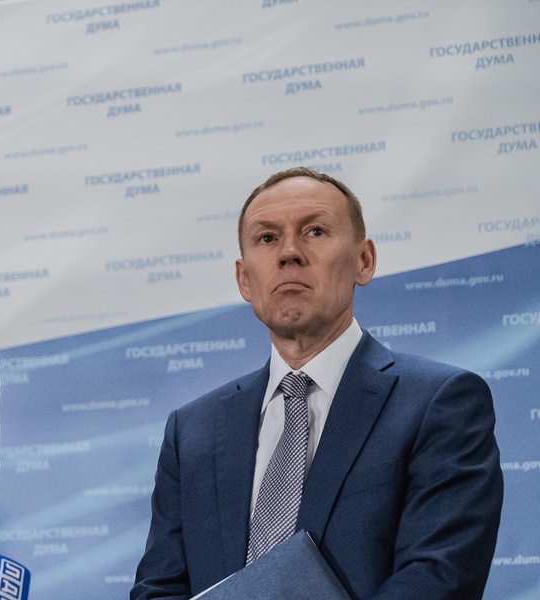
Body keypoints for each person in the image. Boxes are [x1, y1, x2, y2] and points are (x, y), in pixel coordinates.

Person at [131, 168, 504, 599]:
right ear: (244, 279)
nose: (289, 253)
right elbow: (159, 589)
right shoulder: (192, 430)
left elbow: (438, 579)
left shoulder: (440, 403)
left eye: (315, 231)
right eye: (267, 238)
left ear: (364, 260)